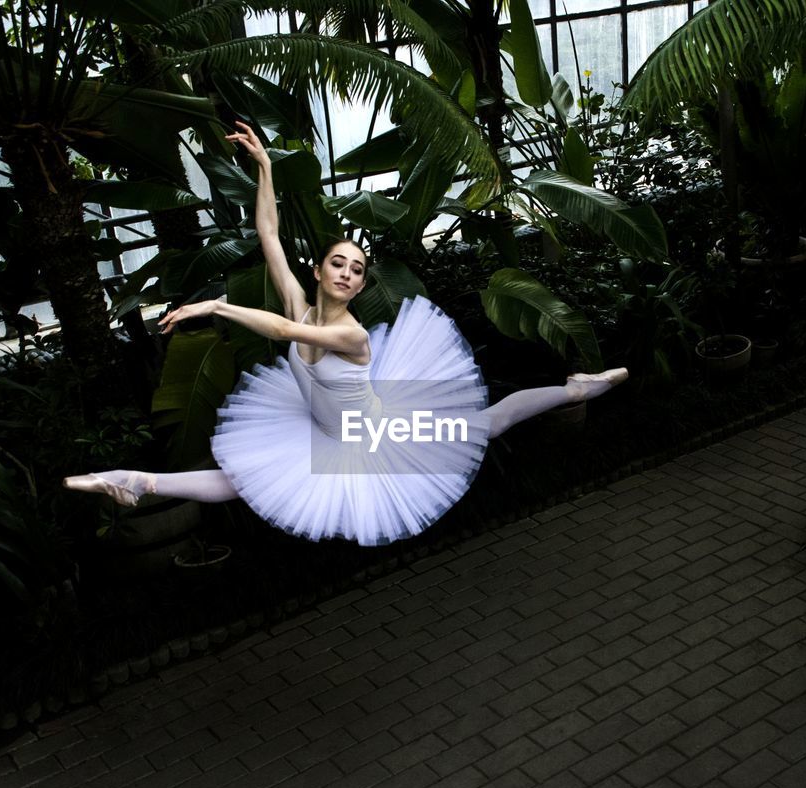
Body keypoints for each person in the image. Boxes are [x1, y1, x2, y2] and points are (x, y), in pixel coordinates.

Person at [65, 122, 627, 545]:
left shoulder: (353, 336)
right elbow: (268, 232)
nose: (347, 273)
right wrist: (264, 168)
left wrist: (215, 303)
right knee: (240, 480)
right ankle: (138, 481)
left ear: (359, 287)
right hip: (318, 424)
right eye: (338, 262)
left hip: (377, 432)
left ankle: (577, 387)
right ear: (319, 271)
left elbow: (284, 329)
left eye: (357, 270)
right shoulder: (296, 299)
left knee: (492, 420)